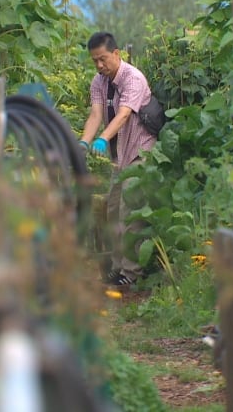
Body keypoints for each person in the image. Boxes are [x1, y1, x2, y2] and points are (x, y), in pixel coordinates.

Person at [78, 32, 156, 286]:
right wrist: (84, 142)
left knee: (129, 213)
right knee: (112, 211)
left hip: (139, 152)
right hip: (119, 157)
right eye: (95, 61)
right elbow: (95, 114)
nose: (99, 65)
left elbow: (123, 115)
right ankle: (119, 267)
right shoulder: (99, 82)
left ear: (116, 54)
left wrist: (103, 138)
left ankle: (132, 274)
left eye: (103, 59)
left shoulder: (133, 79)